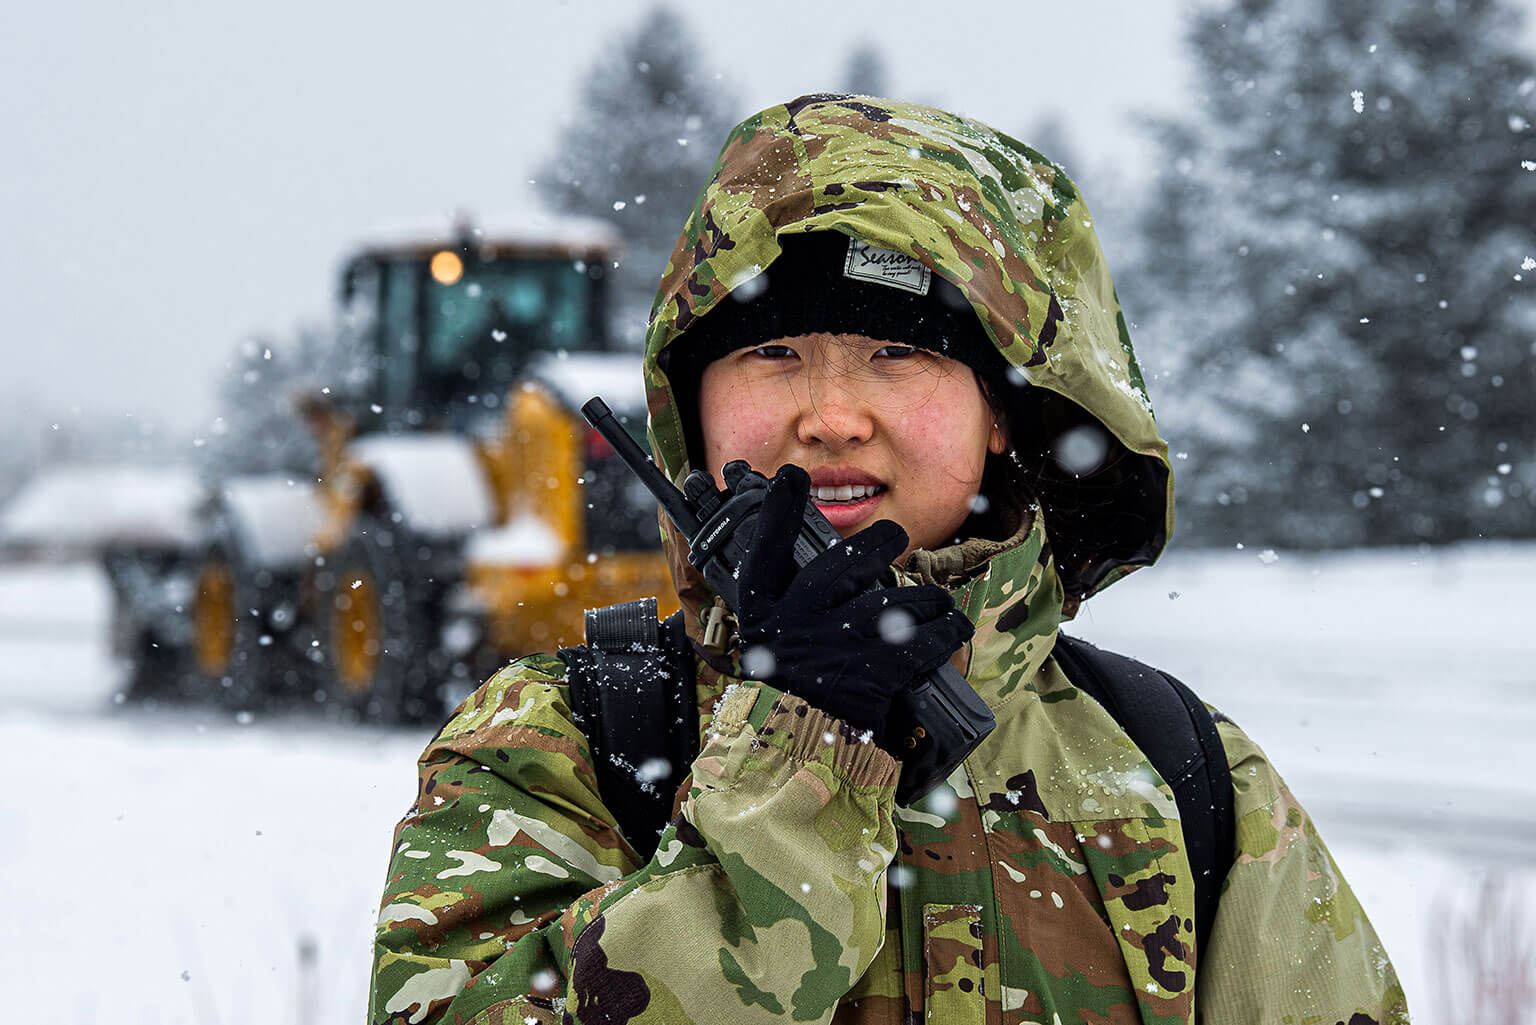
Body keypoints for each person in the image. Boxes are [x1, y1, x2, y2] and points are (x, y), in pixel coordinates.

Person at [369, 95, 1408, 1025]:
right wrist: (799, 756)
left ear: (1003, 412)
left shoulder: (1179, 768)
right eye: (772, 353)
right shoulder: (564, 746)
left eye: (896, 351)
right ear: (691, 409)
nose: (829, 416)